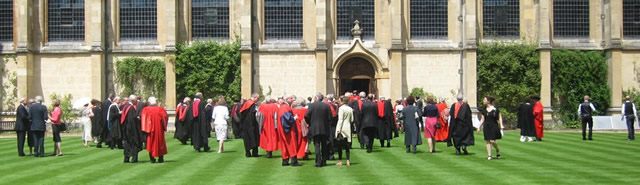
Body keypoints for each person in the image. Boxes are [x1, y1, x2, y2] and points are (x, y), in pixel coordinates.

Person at [305, 93, 332, 167]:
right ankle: (324, 161)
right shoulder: (326, 106)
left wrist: (309, 122)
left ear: (316, 98)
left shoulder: (312, 105)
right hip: (324, 128)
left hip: (314, 128)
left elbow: (306, 115)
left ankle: (318, 161)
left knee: (316, 145)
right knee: (324, 145)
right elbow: (330, 117)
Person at [141, 97, 168, 163]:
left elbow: (144, 119)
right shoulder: (161, 109)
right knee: (160, 143)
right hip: (159, 130)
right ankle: (161, 159)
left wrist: (145, 129)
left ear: (149, 102)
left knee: (150, 144)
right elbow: (165, 117)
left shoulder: (145, 109)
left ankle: (152, 159)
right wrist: (163, 126)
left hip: (150, 130)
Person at [277, 94, 302, 166]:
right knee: (292, 144)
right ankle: (294, 161)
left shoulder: (283, 107)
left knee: (284, 145)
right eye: (291, 98)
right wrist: (294, 118)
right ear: (287, 99)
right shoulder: (285, 107)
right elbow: (287, 118)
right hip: (287, 129)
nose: (292, 100)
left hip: (282, 128)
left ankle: (285, 160)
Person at [121, 95, 143, 163]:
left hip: (126, 128)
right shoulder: (131, 108)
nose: (137, 101)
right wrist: (137, 119)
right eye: (136, 100)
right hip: (131, 129)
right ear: (133, 100)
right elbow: (132, 120)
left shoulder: (126, 107)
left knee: (127, 144)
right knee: (134, 143)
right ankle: (134, 159)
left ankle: (126, 158)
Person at [239, 93, 261, 157]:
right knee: (254, 137)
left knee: (247, 138)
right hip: (252, 124)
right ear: (254, 97)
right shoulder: (252, 104)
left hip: (245, 124)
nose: (258, 99)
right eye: (258, 98)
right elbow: (254, 114)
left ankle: (247, 153)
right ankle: (255, 153)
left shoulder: (246, 103)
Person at [335, 96, 354, 166]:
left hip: (342, 127)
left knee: (339, 145)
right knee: (347, 146)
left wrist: (339, 129)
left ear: (343, 101)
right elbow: (352, 119)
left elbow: (340, 119)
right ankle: (348, 160)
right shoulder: (350, 109)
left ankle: (340, 161)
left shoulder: (341, 109)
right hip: (348, 127)